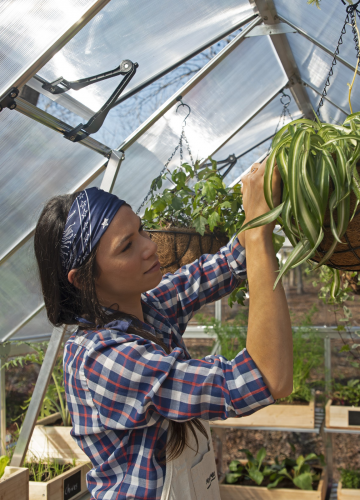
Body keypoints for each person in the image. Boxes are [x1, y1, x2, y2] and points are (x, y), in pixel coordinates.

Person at [33, 158, 293, 500]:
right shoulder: (102, 358)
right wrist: (259, 233)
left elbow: (229, 262)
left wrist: (266, 191)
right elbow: (265, 379)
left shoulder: (144, 307)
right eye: (127, 246)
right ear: (83, 279)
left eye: (141, 230)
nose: (149, 246)